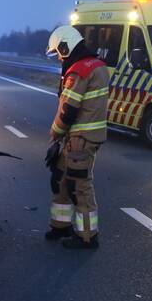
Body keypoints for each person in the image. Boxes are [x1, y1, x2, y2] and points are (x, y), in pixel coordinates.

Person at [43, 25, 110, 250]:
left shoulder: (80, 70)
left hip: (81, 138)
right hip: (78, 137)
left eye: (60, 52)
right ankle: (60, 226)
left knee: (79, 187)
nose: (60, 57)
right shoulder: (97, 65)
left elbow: (68, 110)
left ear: (66, 45)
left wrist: (55, 134)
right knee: (61, 178)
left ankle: (87, 237)